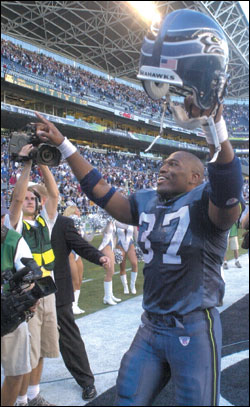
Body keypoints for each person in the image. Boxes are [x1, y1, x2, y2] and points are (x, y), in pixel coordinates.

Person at [33, 10, 244, 406]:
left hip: (194, 328)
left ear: (198, 178)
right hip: (151, 326)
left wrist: (217, 128)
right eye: (163, 164)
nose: (164, 167)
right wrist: (64, 145)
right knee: (126, 400)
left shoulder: (208, 202)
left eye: (175, 165)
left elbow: (230, 190)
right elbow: (99, 190)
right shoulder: (146, 202)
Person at [5, 148, 59, 407]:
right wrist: (27, 167)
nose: (28, 200)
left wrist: (43, 162)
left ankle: (33, 394)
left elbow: (53, 193)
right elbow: (15, 201)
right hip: (26, 293)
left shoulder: (44, 222)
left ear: (39, 203)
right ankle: (21, 400)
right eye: (24, 197)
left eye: (32, 198)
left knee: (43, 348)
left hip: (46, 290)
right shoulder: (15, 225)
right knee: (29, 351)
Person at [51, 212, 111, 401]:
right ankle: (27, 392)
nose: (32, 202)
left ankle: (86, 382)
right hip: (27, 294)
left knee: (68, 338)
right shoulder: (18, 224)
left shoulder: (62, 223)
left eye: (36, 198)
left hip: (57, 291)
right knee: (25, 342)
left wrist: (99, 257)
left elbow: (81, 246)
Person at [1, 199, 35, 406]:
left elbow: (30, 276)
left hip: (9, 315)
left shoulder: (14, 240)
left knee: (16, 372)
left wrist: (29, 297)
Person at [63, 205, 85, 314]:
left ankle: (75, 304)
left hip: (77, 252)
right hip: (70, 252)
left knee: (80, 280)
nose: (79, 211)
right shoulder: (67, 223)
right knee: (74, 280)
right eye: (77, 210)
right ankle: (71, 305)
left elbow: (86, 240)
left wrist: (93, 231)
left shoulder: (80, 224)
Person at [98, 217, 121, 305]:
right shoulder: (104, 220)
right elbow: (103, 231)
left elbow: (115, 234)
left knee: (111, 272)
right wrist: (108, 223)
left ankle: (109, 295)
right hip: (106, 245)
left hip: (111, 245)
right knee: (110, 271)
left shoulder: (113, 220)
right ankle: (107, 297)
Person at [115, 220, 138, 294]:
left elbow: (135, 234)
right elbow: (114, 235)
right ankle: (125, 287)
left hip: (130, 244)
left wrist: (138, 245)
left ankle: (132, 286)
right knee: (122, 266)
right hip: (120, 244)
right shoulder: (116, 221)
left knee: (134, 264)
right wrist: (114, 249)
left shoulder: (132, 220)